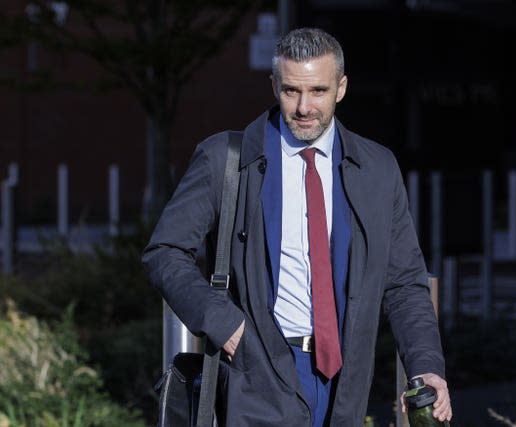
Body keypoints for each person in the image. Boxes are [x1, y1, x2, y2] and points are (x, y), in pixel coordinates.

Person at [142, 27, 452, 427]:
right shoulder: (225, 159)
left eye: (318, 91)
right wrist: (225, 324)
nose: (305, 107)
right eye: (291, 91)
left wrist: (426, 366)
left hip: (346, 381)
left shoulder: (377, 169)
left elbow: (406, 283)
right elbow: (164, 251)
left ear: (341, 87)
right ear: (274, 85)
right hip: (258, 373)